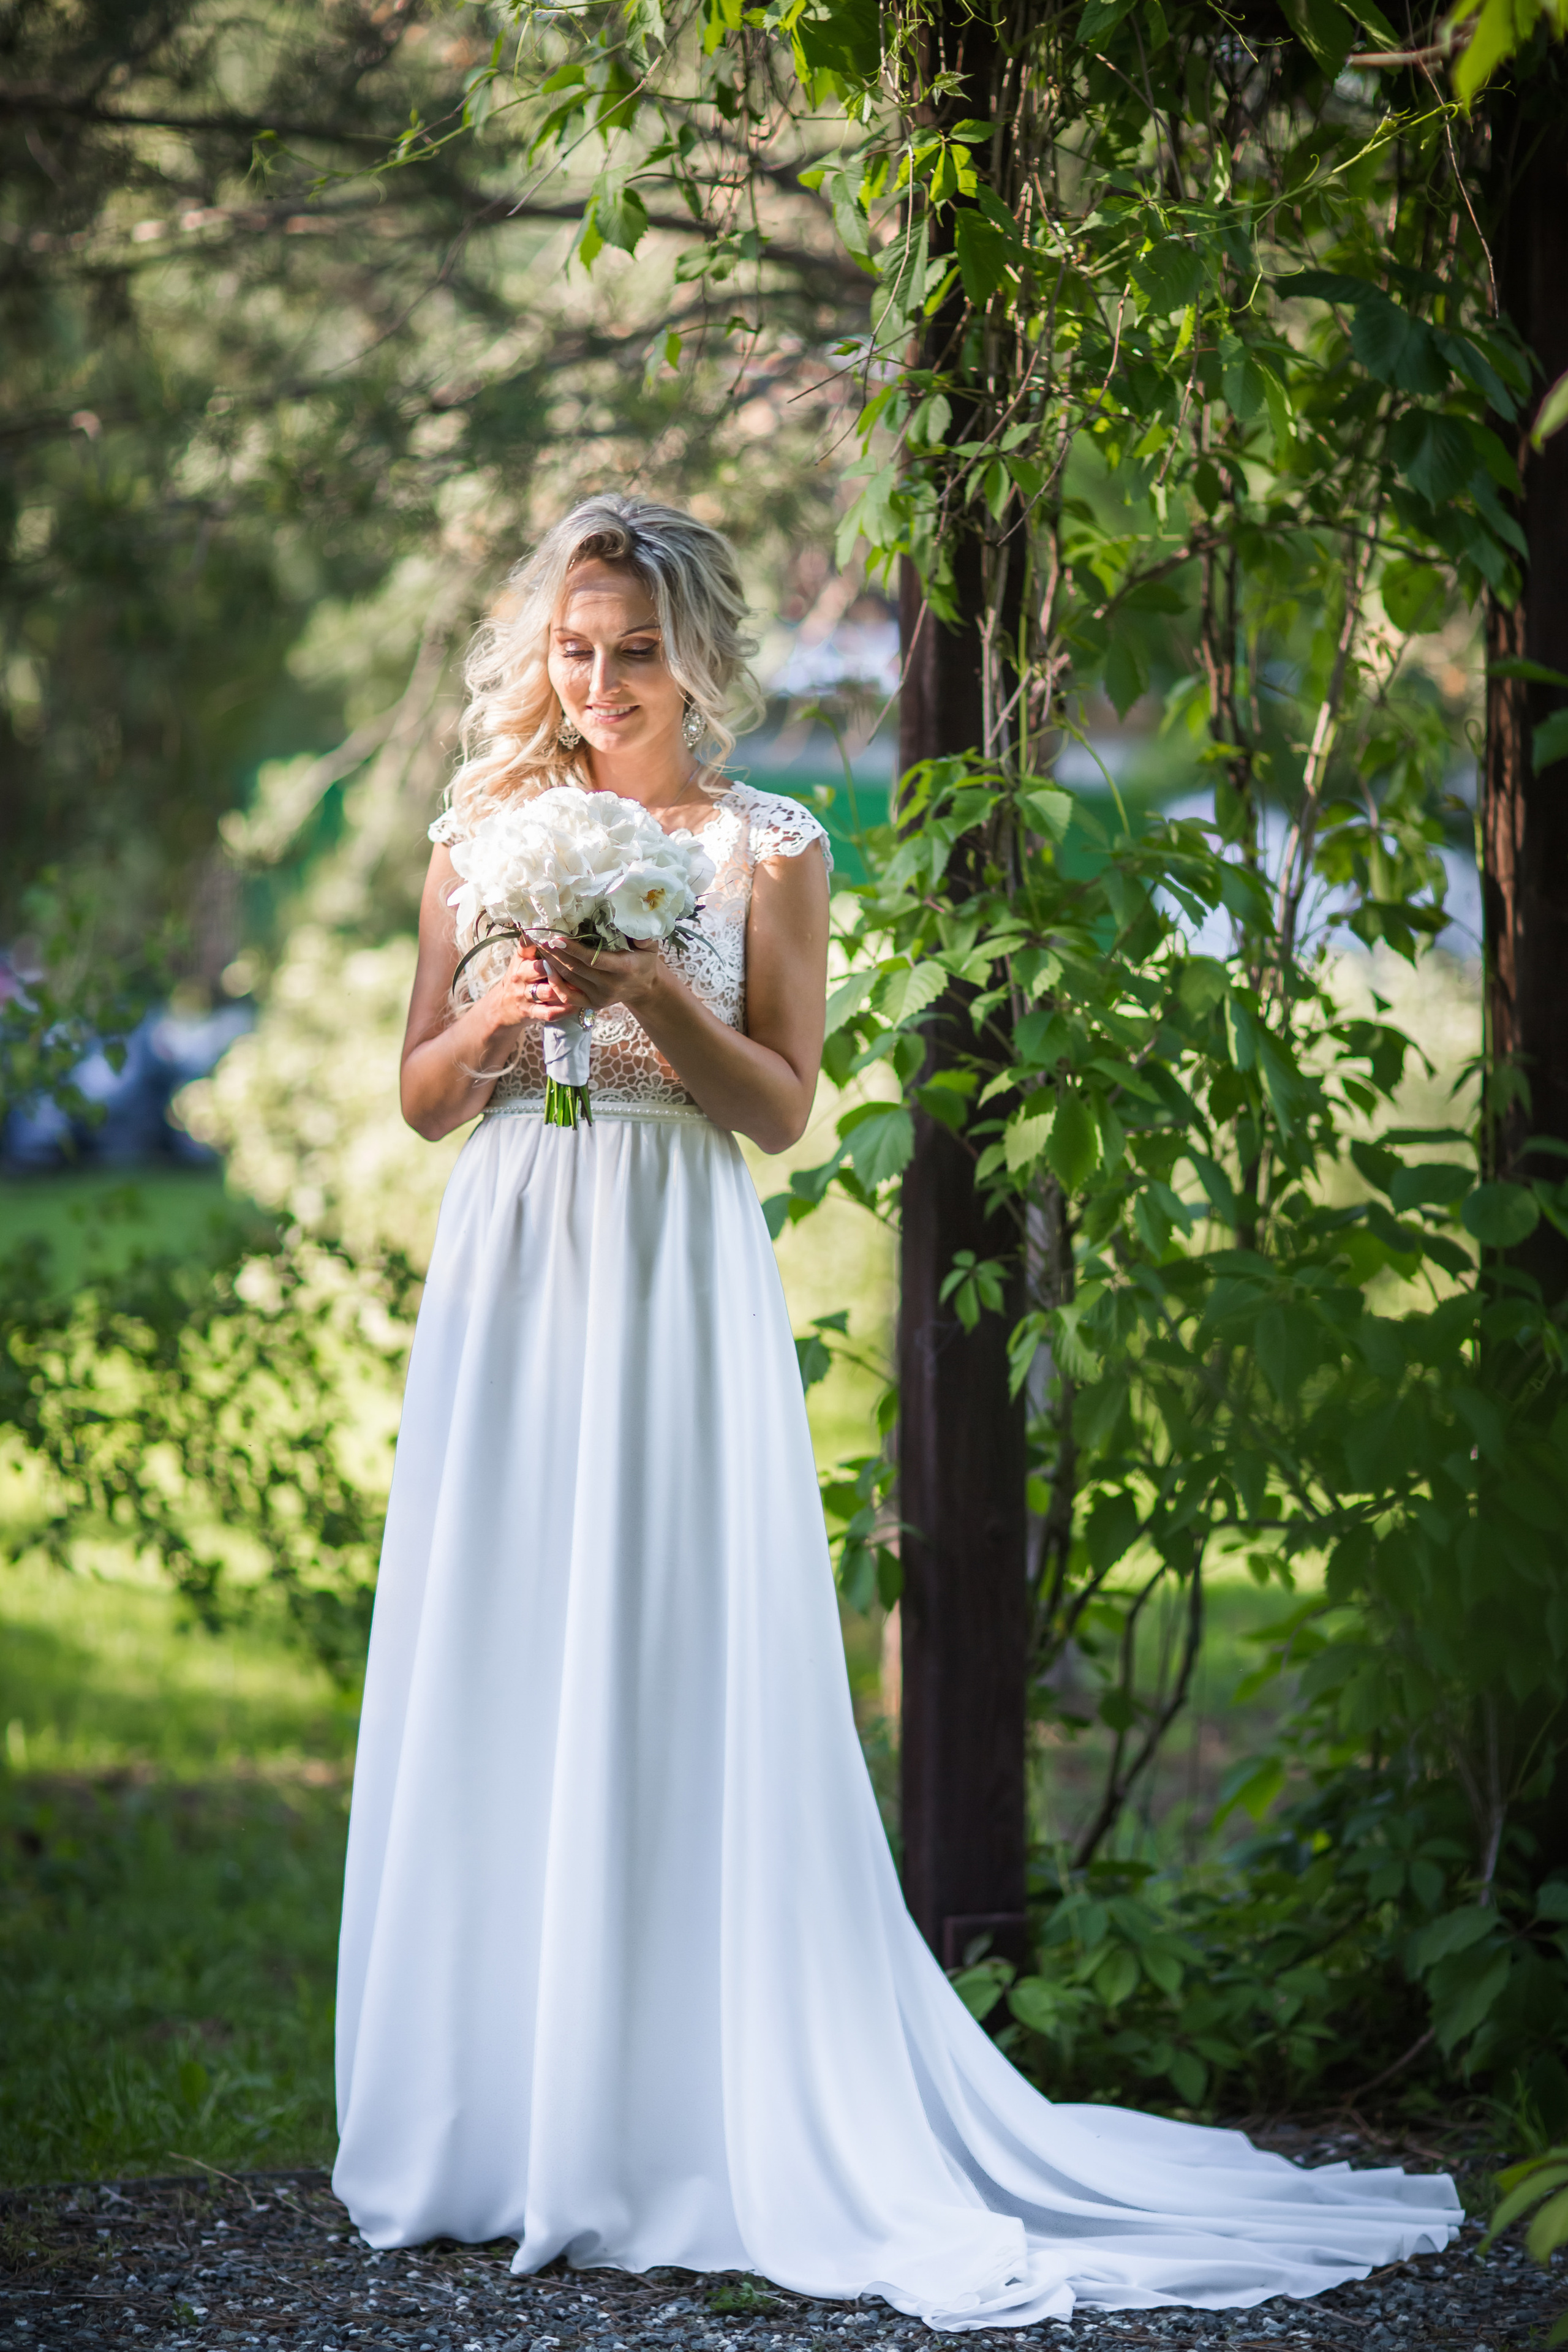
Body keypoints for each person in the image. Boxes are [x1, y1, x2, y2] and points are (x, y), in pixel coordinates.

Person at [332, 494, 1459, 2327]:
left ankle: (676, 2105)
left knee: (665, 1643)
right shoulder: (481, 833)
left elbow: (777, 1105)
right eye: (574, 643)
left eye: (635, 646)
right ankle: (498, 2107)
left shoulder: (768, 848)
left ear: (700, 653)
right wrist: (510, 1014)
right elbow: (421, 1091)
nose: (601, 679)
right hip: (517, 1257)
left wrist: (642, 997)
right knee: (506, 1634)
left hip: (677, 1261)